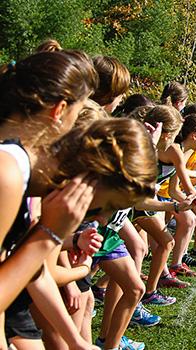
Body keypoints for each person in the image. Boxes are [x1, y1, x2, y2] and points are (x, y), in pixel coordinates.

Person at [0, 50, 98, 349]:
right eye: (76, 113)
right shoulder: (8, 170)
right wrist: (50, 232)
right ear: (59, 110)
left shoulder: (16, 166)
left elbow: (17, 265)